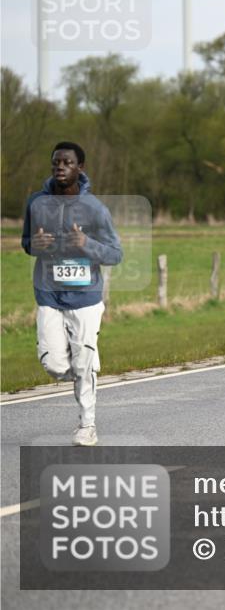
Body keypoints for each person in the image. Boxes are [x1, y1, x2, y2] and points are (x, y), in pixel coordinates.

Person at [21, 142, 122, 446]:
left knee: (83, 363)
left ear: (80, 168)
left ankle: (87, 425)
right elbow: (27, 242)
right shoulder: (36, 203)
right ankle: (83, 367)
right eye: (55, 163)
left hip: (86, 299)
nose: (60, 167)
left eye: (67, 162)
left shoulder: (95, 209)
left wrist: (85, 244)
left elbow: (116, 254)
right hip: (49, 293)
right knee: (55, 364)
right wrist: (33, 246)